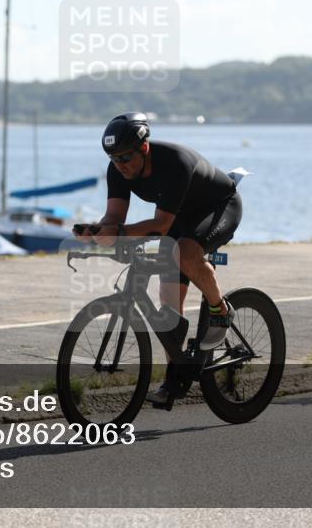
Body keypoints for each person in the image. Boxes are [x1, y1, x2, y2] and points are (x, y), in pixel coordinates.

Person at [73, 112, 243, 405]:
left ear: (144, 148)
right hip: (179, 215)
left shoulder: (174, 162)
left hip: (217, 207)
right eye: (114, 159)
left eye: (126, 158)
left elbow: (160, 226)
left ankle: (220, 309)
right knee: (168, 301)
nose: (121, 165)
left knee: (186, 253)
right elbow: (115, 217)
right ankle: (176, 375)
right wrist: (99, 231)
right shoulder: (117, 170)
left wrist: (121, 232)